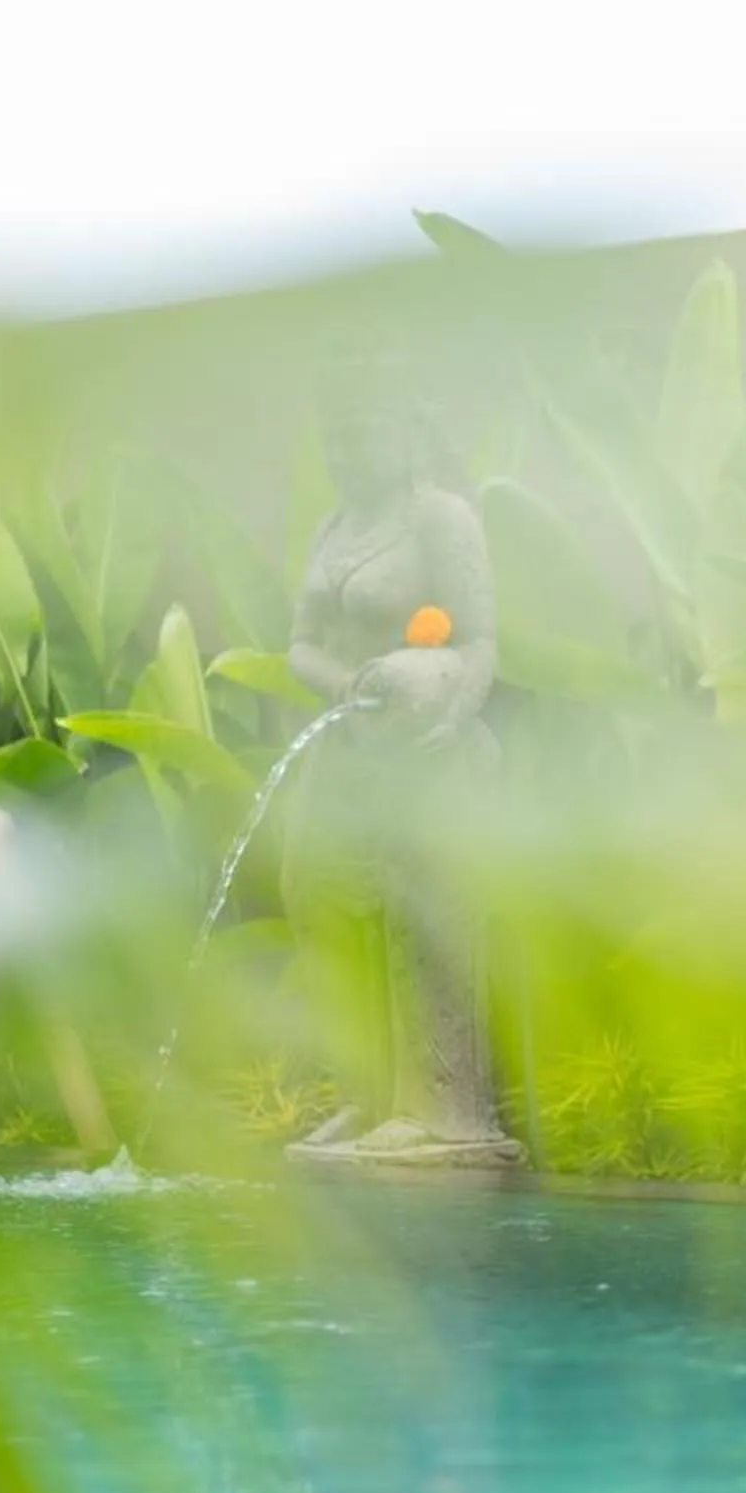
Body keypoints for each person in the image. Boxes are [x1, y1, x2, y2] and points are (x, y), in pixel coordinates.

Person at [281, 351, 518, 1165]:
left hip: (428, 748)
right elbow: (299, 647)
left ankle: (441, 1110)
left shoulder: (440, 519)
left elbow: (481, 641)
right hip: (350, 748)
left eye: (362, 433)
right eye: (334, 438)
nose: (346, 452)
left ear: (403, 433)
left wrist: (445, 712)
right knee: (323, 899)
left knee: (425, 912)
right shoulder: (332, 527)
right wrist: (355, 685)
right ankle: (364, 1091)